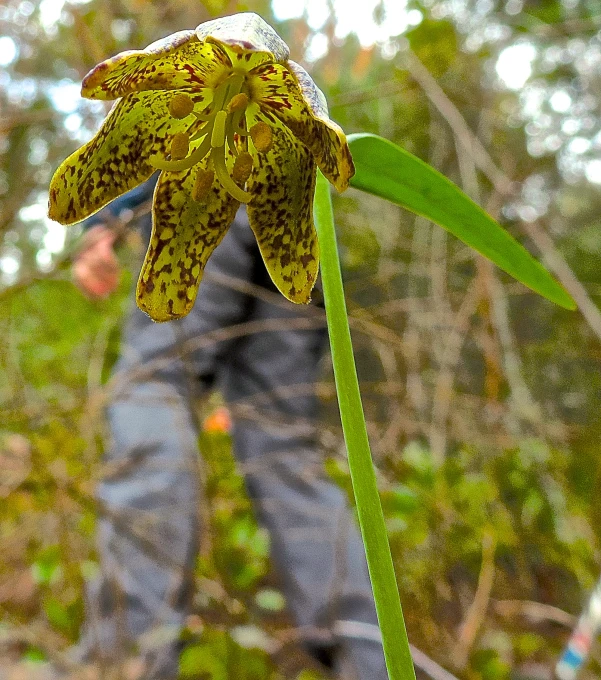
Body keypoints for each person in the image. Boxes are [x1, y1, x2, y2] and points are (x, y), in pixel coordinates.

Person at [65, 174, 388, 680]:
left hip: (208, 192)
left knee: (154, 384)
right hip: (300, 220)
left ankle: (128, 657)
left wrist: (107, 218)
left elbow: (182, 114)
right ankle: (370, 658)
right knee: (283, 447)